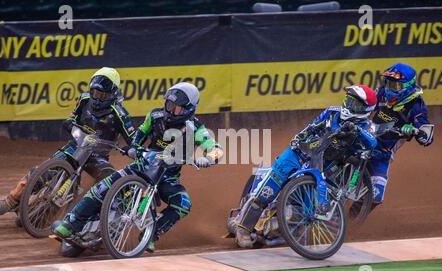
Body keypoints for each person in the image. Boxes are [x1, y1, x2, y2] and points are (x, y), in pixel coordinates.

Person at [52, 82, 223, 252]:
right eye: (169, 105)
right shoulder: (155, 116)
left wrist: (208, 159)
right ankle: (72, 222)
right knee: (102, 187)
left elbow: (216, 149)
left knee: (183, 203)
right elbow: (139, 135)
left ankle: (151, 234)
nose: (170, 110)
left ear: (189, 109)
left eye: (176, 108)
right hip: (142, 166)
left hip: (167, 177)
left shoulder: (196, 129)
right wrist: (134, 147)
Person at [234, 84, 378, 248]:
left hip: (325, 168)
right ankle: (243, 229)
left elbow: (372, 141)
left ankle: (283, 229)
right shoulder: (332, 112)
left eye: (355, 104)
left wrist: (356, 130)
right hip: (301, 153)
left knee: (303, 206)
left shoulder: (367, 126)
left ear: (366, 110)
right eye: (349, 101)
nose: (349, 106)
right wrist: (299, 138)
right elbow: (312, 126)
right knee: (269, 189)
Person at [0, 67, 135, 221]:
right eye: (95, 93)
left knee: (112, 180)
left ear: (113, 94)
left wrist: (131, 148)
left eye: (103, 95)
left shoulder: (120, 114)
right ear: (90, 90)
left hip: (97, 157)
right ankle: (13, 199)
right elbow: (71, 117)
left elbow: (134, 139)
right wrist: (69, 123)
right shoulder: (84, 100)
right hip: (74, 147)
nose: (98, 99)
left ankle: (114, 217)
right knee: (41, 172)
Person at [354, 62, 434, 213]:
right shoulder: (382, 92)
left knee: (376, 196)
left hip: (383, 152)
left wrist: (414, 130)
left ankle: (349, 220)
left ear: (408, 86)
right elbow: (366, 105)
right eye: (389, 83)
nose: (390, 88)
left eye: (396, 86)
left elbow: (427, 137)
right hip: (362, 138)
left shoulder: (416, 106)